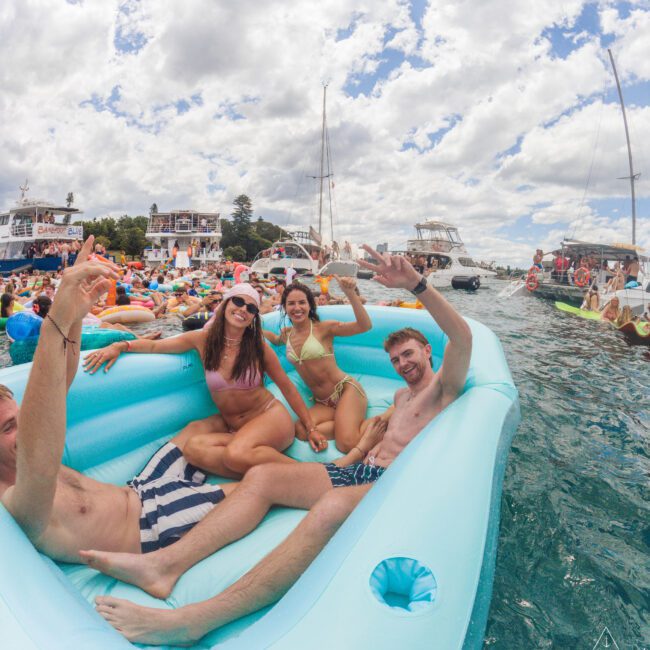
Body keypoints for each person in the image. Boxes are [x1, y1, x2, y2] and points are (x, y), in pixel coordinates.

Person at [89, 245, 473, 645]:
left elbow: (461, 336)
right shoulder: (399, 397)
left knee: (329, 509)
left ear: (429, 351)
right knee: (263, 475)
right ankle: (163, 566)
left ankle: (196, 619)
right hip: (361, 469)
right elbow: (379, 433)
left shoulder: (442, 391)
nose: (402, 364)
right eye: (394, 359)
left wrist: (416, 284)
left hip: (389, 484)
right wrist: (355, 453)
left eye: (408, 355)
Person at [0, 237, 237, 569]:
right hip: (148, 526)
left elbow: (60, 380)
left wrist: (77, 312)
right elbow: (38, 453)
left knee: (202, 426)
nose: (24, 427)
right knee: (259, 486)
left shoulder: (19, 456)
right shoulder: (18, 498)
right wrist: (57, 318)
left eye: (18, 417)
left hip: (139, 490)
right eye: (10, 427)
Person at [83, 284, 319, 478]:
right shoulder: (203, 340)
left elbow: (287, 388)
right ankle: (260, 471)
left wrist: (310, 428)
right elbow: (156, 345)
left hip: (268, 418)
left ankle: (309, 474)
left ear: (254, 317)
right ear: (226, 303)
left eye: (251, 308)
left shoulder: (258, 347)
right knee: (194, 449)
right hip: (232, 426)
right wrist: (120, 345)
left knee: (235, 454)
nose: (243, 310)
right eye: (238, 301)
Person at [264, 277, 372, 453]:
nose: (297, 308)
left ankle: (380, 420)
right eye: (291, 303)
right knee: (299, 430)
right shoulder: (286, 334)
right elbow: (275, 340)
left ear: (310, 305)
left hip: (345, 390)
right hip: (323, 403)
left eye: (302, 303)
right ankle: (345, 422)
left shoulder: (324, 328)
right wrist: (253, 327)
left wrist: (350, 294)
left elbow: (364, 326)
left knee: (346, 444)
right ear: (284, 307)